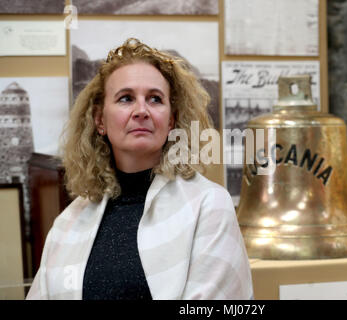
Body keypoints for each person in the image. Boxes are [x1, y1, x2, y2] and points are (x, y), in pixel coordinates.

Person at [26, 38, 253, 300]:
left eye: (155, 99)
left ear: (171, 121)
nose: (141, 110)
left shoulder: (208, 205)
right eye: (126, 98)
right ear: (100, 120)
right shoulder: (69, 222)